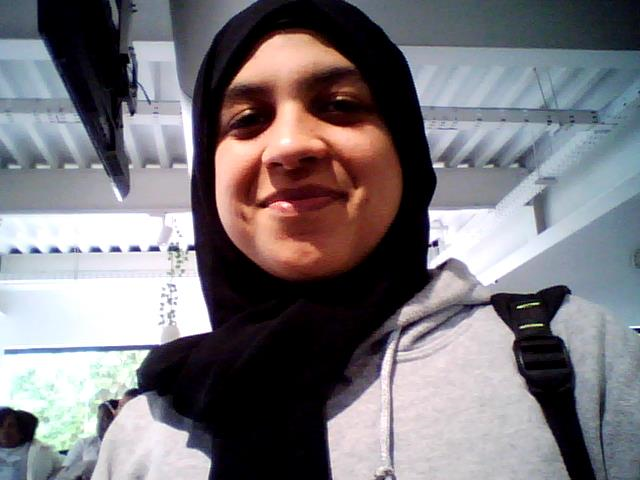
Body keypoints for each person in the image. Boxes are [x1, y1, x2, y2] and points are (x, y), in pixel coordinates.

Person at [93, 1, 640, 479]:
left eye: (340, 105)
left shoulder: (580, 352)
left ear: (405, 147)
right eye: (248, 119)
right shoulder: (146, 430)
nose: (289, 146)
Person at [54, 400, 118, 480]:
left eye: (106, 418)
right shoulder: (84, 443)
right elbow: (63, 474)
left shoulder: (125, 447)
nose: (101, 424)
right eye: (99, 419)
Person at [0, 407, 62, 480]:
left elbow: (64, 472)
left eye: (11, 426)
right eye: (1, 426)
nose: (5, 431)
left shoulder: (42, 451)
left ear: (22, 429)